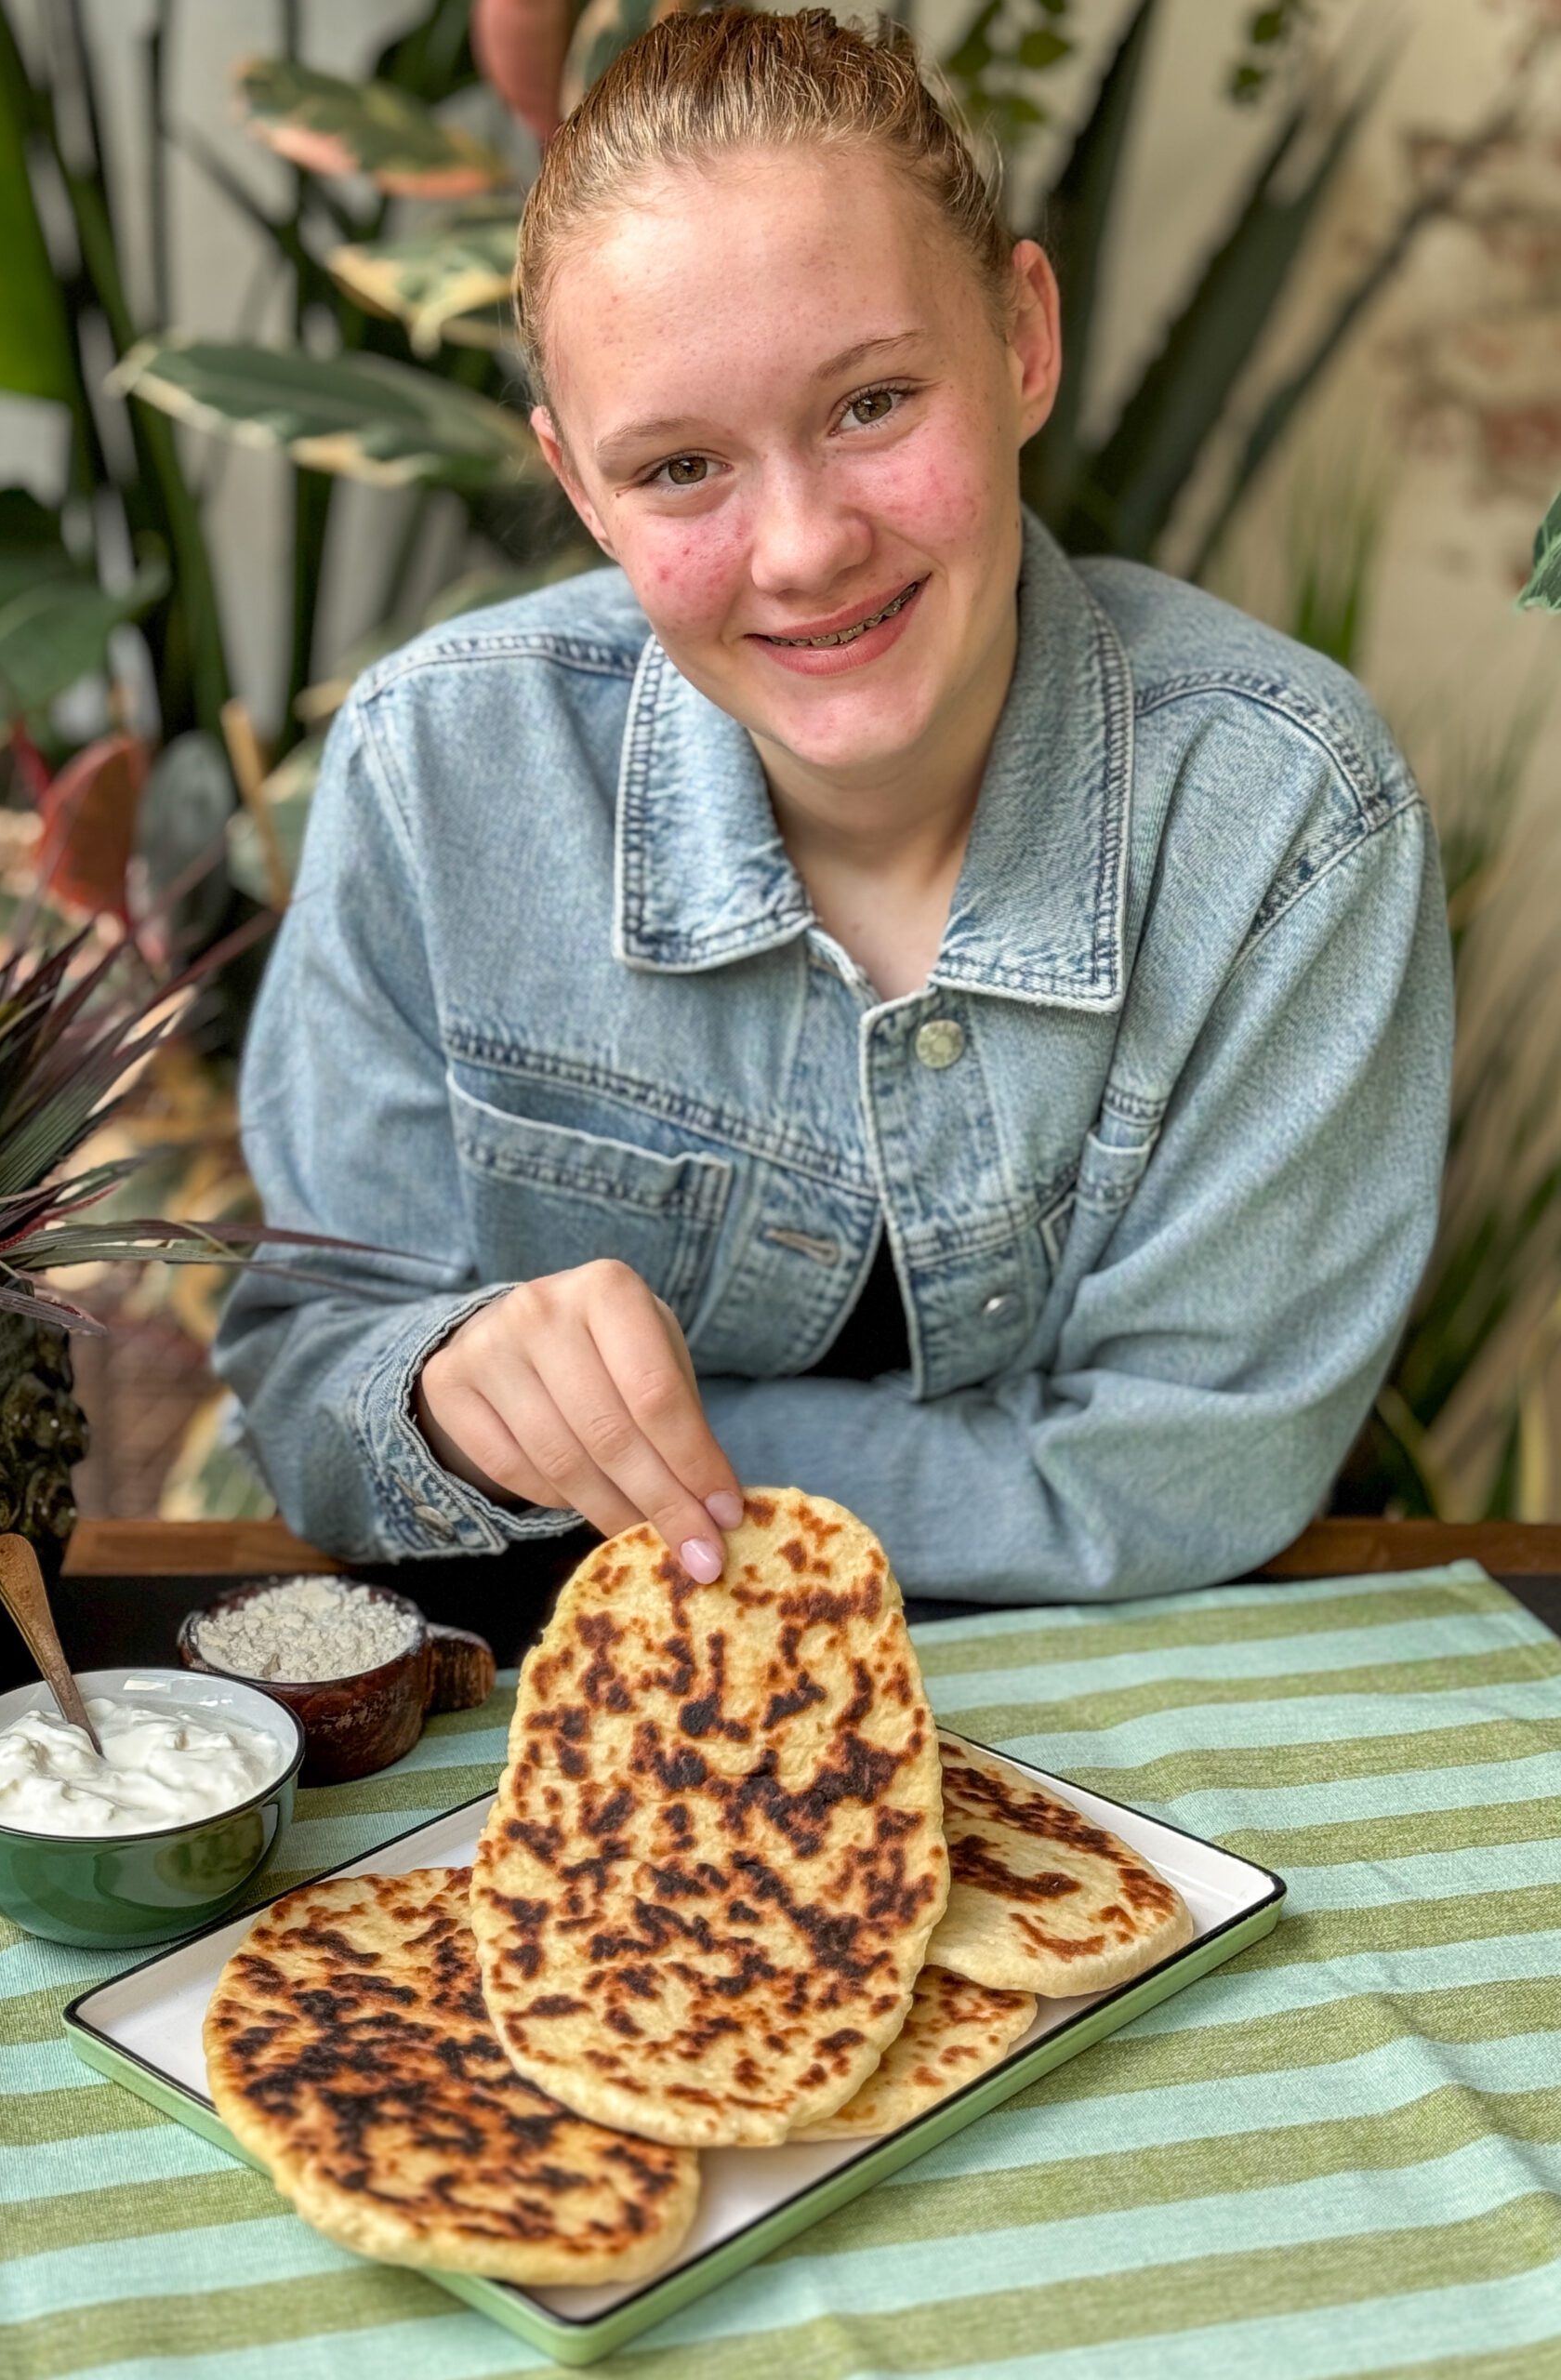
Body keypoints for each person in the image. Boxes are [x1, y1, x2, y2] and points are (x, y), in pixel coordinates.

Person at [213, 7, 1451, 1603]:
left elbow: (1193, 1473)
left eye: (871, 404)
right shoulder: (437, 773)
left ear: (1020, 339)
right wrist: (442, 1402)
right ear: (579, 488)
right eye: (676, 470)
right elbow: (317, 1391)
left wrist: (618, 1471)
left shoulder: (1286, 819)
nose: (801, 549)